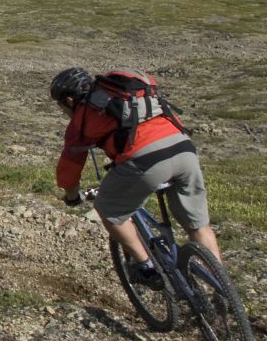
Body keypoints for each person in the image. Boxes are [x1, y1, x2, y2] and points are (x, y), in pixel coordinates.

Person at [50, 67, 223, 286]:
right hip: (184, 148)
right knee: (198, 226)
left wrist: (72, 194)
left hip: (145, 159)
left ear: (69, 99)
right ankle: (221, 286)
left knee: (108, 208)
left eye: (61, 106)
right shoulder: (130, 97)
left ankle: (146, 267)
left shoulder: (83, 114)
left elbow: (70, 165)